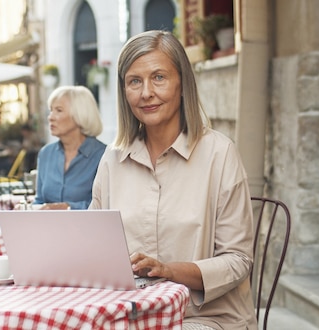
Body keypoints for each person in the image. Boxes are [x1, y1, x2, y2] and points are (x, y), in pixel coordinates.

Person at [89, 30, 257, 329]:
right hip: (130, 316)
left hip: (204, 319)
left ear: (182, 84)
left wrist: (168, 270)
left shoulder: (220, 154)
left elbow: (238, 261)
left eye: (159, 77)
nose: (146, 93)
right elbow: (94, 248)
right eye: (134, 81)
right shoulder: (112, 160)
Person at [32, 85, 106, 210]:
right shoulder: (46, 153)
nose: (50, 117)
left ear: (80, 114)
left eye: (59, 110)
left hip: (87, 229)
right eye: (51, 110)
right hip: (48, 228)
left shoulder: (103, 155)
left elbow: (106, 206)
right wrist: (28, 209)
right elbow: (40, 201)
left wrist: (67, 207)